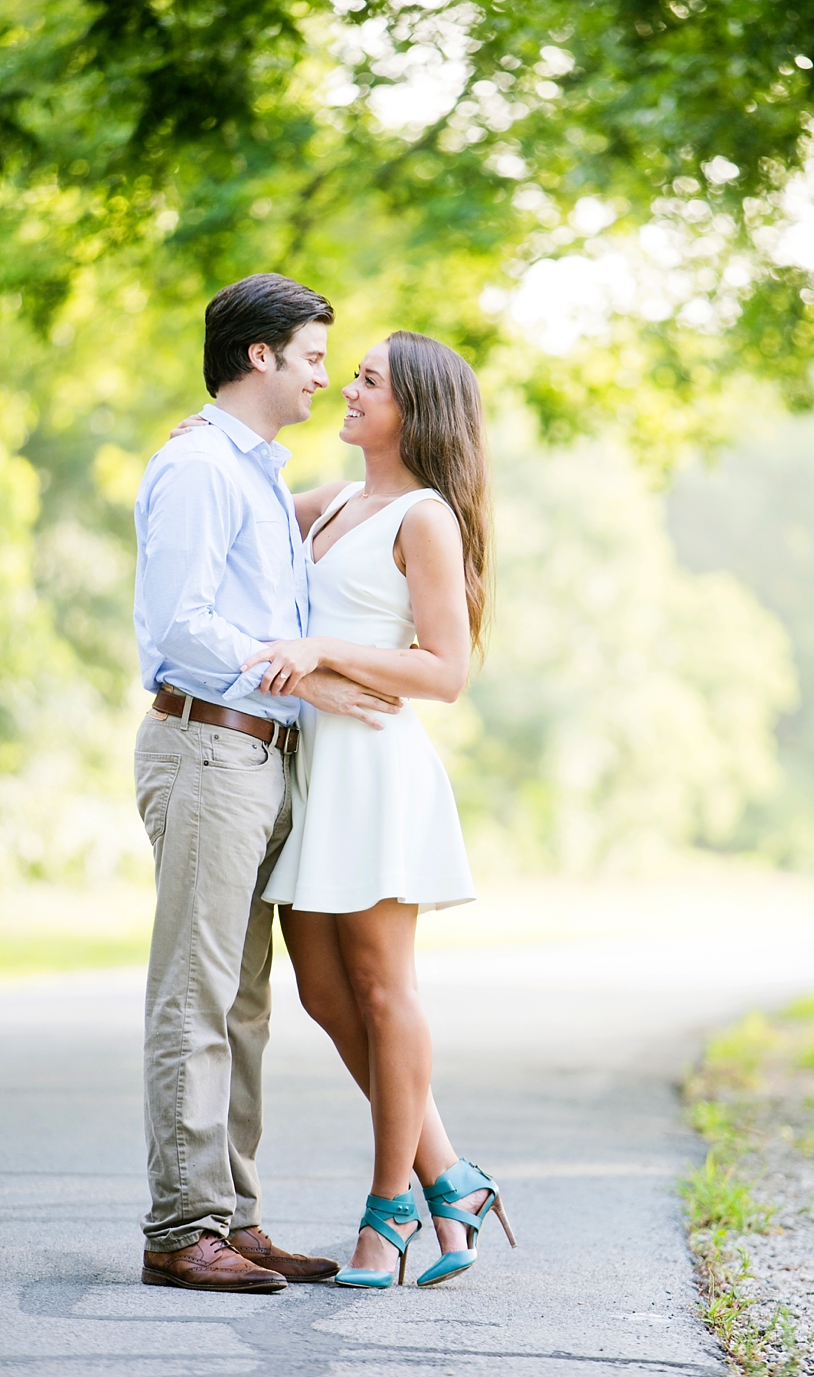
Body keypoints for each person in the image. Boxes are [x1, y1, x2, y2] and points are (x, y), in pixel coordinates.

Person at [173, 330, 516, 1289]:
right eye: (349, 373)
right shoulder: (328, 504)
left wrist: (320, 652)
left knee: (380, 991)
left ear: (415, 409)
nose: (346, 388)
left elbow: (442, 671)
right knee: (324, 994)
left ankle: (387, 1211)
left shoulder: (424, 516)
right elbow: (231, 516)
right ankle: (452, 1175)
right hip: (308, 764)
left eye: (367, 380)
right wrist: (201, 439)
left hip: (372, 767)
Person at [133, 272, 403, 1294]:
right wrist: (305, 676)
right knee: (197, 996)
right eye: (309, 358)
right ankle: (179, 1227)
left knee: (242, 1005)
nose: (322, 377)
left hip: (252, 754)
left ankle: (232, 1219)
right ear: (260, 357)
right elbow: (178, 626)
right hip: (208, 745)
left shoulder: (248, 472)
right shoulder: (202, 467)